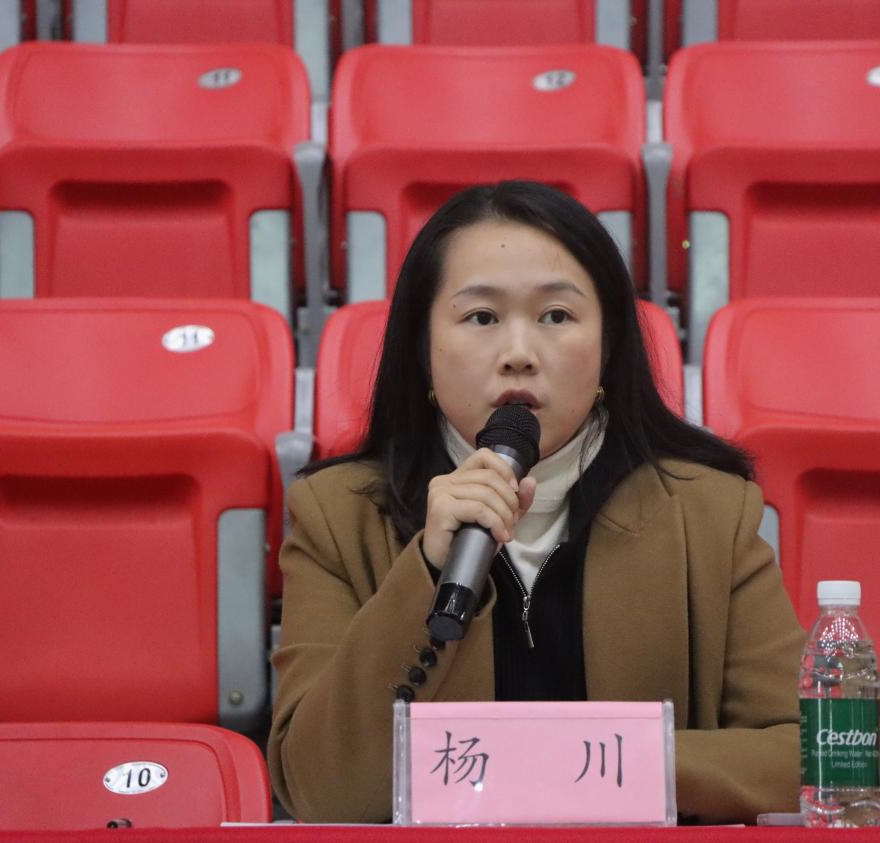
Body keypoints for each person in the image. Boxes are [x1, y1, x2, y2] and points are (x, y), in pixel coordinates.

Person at [268, 181, 805, 824]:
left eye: (556, 316)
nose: (518, 354)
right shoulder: (336, 515)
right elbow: (318, 790)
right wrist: (428, 573)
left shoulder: (710, 513)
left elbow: (804, 757)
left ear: (607, 349)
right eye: (481, 318)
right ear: (423, 352)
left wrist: (578, 764)